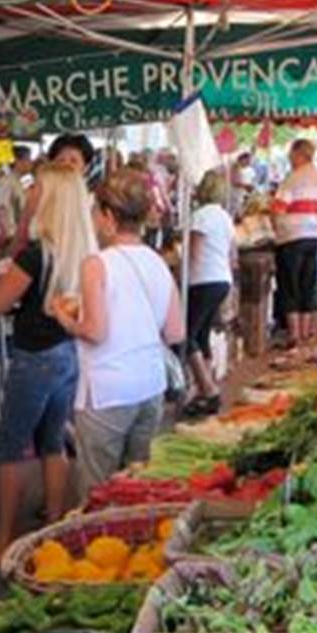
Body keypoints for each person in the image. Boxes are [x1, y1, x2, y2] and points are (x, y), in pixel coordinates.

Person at [0, 165, 94, 570]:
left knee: (10, 447)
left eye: (37, 188)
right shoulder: (83, 250)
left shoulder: (36, 254)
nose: (30, 192)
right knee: (52, 442)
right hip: (67, 352)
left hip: (35, 356)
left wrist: (19, 236)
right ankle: (53, 532)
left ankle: (1, 542)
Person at [51, 170, 184, 500]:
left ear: (109, 216)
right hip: (151, 386)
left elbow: (95, 331)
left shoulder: (96, 264)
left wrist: (63, 318)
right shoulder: (158, 261)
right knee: (138, 487)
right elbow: (175, 331)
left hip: (108, 391)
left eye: (97, 211)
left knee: (98, 491)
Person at [183, 169, 235, 417]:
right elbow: (232, 253)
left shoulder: (201, 216)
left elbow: (194, 252)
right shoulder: (225, 217)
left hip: (203, 279)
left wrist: (181, 272)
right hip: (222, 278)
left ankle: (208, 388)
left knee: (186, 336)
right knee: (202, 334)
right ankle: (205, 386)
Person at [271, 139, 317, 347]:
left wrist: (275, 227)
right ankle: (306, 333)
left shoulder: (292, 179)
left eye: (291, 154)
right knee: (307, 284)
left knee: (290, 285)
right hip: (314, 236)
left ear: (299, 154)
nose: (289, 158)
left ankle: (294, 335)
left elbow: (278, 208)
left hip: (291, 237)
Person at [0, 146, 33, 258]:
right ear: (18, 161)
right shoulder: (7, 181)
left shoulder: (25, 180)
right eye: (28, 159)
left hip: (24, 234)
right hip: (11, 235)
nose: (31, 163)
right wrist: (5, 233)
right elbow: (2, 208)